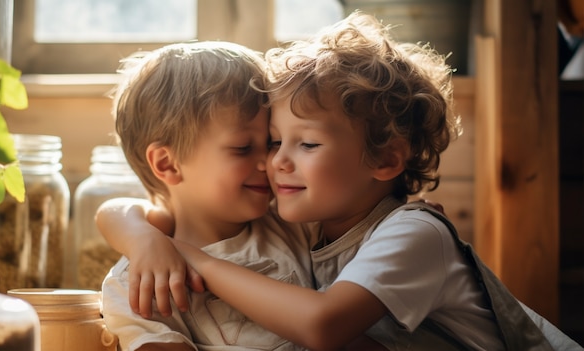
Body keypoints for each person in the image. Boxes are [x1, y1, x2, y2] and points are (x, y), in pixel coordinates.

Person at [99, 12, 582, 351]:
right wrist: (142, 238)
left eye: (302, 145)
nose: (273, 164)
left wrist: (183, 255)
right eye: (269, 143)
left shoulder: (406, 234)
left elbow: (322, 326)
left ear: (387, 158)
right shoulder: (305, 223)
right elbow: (134, 212)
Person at [99, 40, 331, 351]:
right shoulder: (139, 282)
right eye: (243, 148)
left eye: (272, 143)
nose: (270, 162)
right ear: (168, 164)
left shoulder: (295, 225)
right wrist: (142, 239)